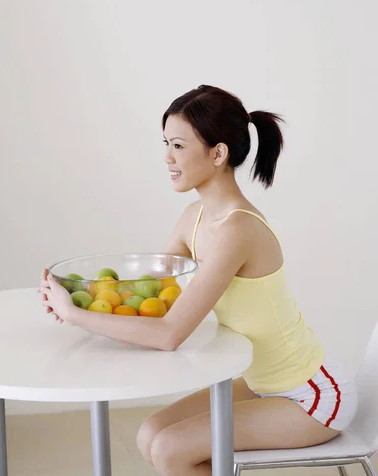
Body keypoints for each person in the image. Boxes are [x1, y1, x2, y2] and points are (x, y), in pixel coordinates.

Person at [39, 85, 358, 476]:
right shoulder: (194, 217)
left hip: (313, 396)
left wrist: (75, 315)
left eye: (178, 145)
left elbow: (169, 333)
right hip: (262, 384)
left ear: (218, 153)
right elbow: (150, 295)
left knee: (172, 449)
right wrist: (79, 293)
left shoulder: (238, 229)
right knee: (150, 434)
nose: (167, 157)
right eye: (166, 144)